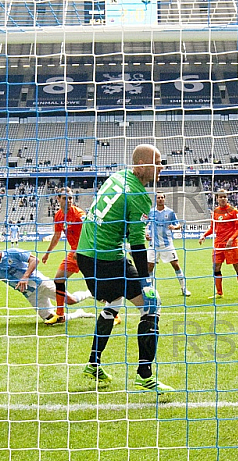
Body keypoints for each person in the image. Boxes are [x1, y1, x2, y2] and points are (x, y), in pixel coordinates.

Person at [76, 144, 174, 392]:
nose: (161, 168)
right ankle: (145, 374)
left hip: (86, 255)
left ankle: (93, 363)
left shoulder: (117, 177)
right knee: (152, 304)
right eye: (158, 162)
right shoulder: (139, 195)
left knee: (114, 302)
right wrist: (146, 282)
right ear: (141, 164)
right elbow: (138, 243)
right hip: (107, 260)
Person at [0, 235, 93, 326]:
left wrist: (25, 277)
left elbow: (34, 259)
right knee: (52, 320)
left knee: (71, 301)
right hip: (30, 294)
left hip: (41, 283)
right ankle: (78, 314)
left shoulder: (12, 252)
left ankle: (89, 293)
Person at [41, 188, 107, 325]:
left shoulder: (79, 214)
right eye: (65, 198)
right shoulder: (58, 216)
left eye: (70, 198)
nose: (69, 201)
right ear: (58, 199)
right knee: (58, 279)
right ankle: (60, 315)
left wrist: (81, 249)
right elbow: (57, 235)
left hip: (87, 252)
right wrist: (47, 253)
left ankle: (113, 314)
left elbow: (90, 231)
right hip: (74, 253)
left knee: (96, 285)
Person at [198, 189, 238, 300]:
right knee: (216, 267)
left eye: (224, 196)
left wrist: (231, 239)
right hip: (218, 244)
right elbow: (213, 228)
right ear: (217, 199)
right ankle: (219, 293)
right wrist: (204, 235)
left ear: (227, 198)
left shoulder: (234, 211)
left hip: (231, 244)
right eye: (220, 197)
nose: (223, 199)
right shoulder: (215, 212)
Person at [147, 190, 190, 296]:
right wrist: (146, 234)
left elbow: (178, 225)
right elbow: (145, 225)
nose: (160, 199)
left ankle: (184, 288)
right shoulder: (151, 212)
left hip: (167, 244)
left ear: (164, 199)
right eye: (158, 198)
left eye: (162, 197)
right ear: (155, 199)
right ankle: (150, 290)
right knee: (149, 267)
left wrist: (174, 227)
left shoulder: (170, 212)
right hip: (154, 245)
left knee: (175, 264)